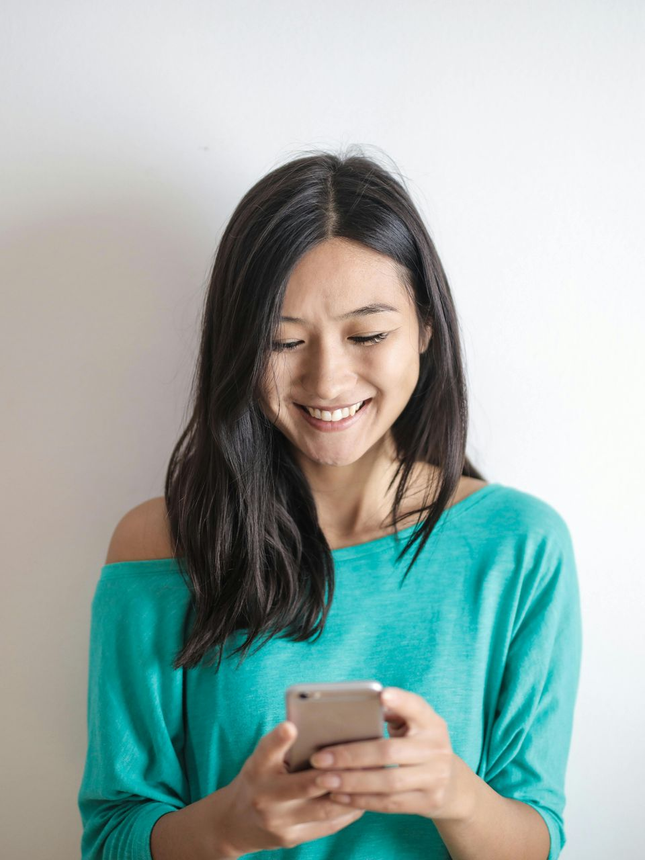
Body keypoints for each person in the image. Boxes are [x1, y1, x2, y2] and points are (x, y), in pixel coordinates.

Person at [77, 147, 582, 860]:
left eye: (368, 335)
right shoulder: (161, 544)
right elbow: (109, 840)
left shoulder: (519, 546)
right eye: (283, 341)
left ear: (426, 332)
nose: (327, 378)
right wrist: (227, 826)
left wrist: (453, 794)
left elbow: (536, 839)